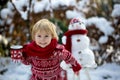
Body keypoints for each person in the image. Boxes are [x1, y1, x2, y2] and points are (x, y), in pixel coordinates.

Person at [11, 19, 82, 80]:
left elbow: (68, 56)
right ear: (34, 36)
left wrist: (75, 66)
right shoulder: (31, 50)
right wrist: (21, 56)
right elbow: (27, 62)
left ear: (52, 36)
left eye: (46, 36)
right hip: (37, 78)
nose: (42, 39)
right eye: (39, 36)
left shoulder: (57, 50)